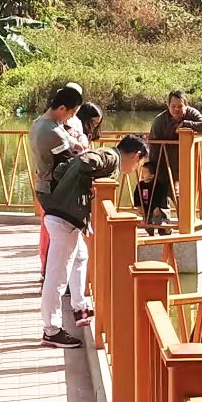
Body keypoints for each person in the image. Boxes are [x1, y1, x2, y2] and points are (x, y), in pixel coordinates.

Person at [38, 135, 149, 349]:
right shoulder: (110, 156)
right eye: (139, 163)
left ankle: (80, 309)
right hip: (64, 218)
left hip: (64, 216)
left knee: (81, 257)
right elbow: (85, 161)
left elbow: (62, 170)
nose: (136, 168)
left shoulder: (110, 156)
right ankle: (51, 330)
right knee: (57, 277)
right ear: (136, 156)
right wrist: (88, 186)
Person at [29, 85, 87, 269]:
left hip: (45, 186)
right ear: (62, 108)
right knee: (63, 250)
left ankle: (63, 285)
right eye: (72, 113)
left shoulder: (40, 122)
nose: (71, 117)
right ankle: (53, 281)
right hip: (55, 190)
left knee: (73, 251)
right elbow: (70, 161)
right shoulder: (51, 131)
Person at [143, 90, 202, 229]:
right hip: (163, 164)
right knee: (162, 193)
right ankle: (162, 224)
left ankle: (187, 223)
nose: (176, 109)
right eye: (173, 106)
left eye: (180, 106)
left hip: (183, 164)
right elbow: (154, 146)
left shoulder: (192, 114)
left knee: (180, 193)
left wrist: (187, 124)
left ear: (186, 105)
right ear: (168, 105)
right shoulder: (159, 121)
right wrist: (153, 170)